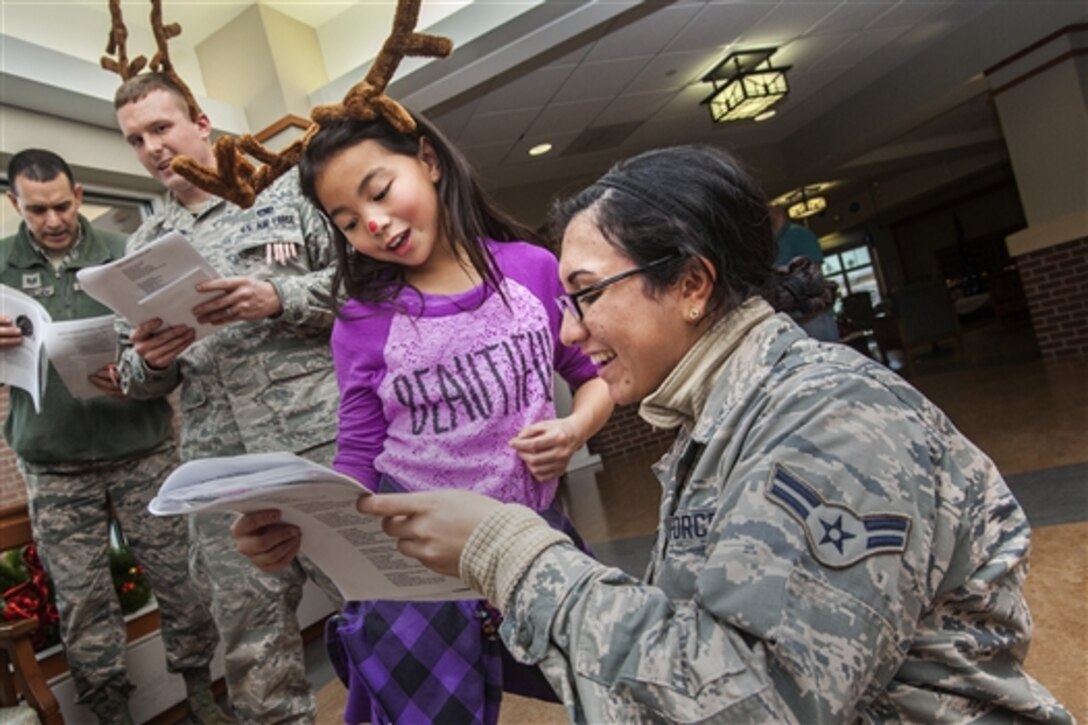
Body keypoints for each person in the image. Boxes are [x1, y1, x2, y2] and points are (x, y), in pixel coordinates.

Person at [328, 145, 1070, 723]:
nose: (570, 326)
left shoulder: (830, 421)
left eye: (584, 293)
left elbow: (751, 704)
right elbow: (691, 640)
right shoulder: (722, 420)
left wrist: (512, 552)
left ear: (690, 283)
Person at [230, 111, 614, 724]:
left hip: (531, 536)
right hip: (416, 569)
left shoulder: (532, 270)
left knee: (611, 680)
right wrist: (299, 527)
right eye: (349, 222)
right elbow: (355, 460)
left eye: (379, 192)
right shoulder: (361, 321)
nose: (374, 224)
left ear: (429, 162)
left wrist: (574, 430)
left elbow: (592, 378)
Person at [111, 73, 343, 723]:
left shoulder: (285, 189)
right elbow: (132, 375)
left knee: (375, 603)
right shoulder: (143, 248)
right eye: (136, 139)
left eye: (161, 128)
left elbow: (365, 287)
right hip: (221, 471)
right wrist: (150, 361)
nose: (152, 147)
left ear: (202, 122)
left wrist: (282, 296)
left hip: (315, 443)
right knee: (252, 645)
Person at [0, 149, 227, 725]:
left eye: (60, 206)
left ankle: (201, 693)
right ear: (13, 204)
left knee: (182, 579)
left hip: (141, 450)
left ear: (78, 196)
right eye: (35, 210)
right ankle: (111, 715)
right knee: (82, 604)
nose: (51, 220)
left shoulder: (125, 255)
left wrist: (139, 367)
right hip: (53, 465)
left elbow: (170, 335)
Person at [769, 203, 839, 342]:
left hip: (812, 317)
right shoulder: (771, 244)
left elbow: (813, 275)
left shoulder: (799, 234)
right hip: (790, 320)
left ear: (778, 213)